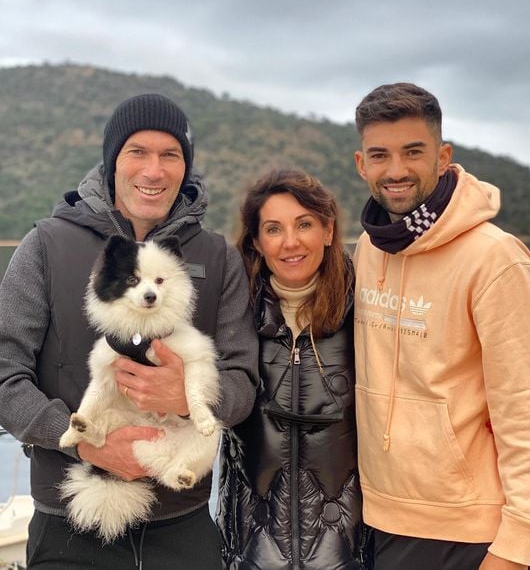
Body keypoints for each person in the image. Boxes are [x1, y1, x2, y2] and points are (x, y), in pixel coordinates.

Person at [0, 93, 259, 569]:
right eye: (137, 151)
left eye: (170, 154)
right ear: (112, 160)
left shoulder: (219, 258)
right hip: (69, 523)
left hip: (183, 524)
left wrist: (187, 396)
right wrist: (80, 437)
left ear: (185, 166)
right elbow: (4, 375)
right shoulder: (46, 246)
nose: (154, 171)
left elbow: (244, 381)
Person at [351, 82, 530, 570]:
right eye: (380, 155)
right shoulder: (368, 248)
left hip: (474, 530)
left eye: (413, 152)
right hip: (384, 518)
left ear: (442, 157)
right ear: (362, 164)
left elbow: (528, 408)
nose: (396, 170)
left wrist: (515, 542)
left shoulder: (494, 258)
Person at [216, 169, 371, 569]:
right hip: (251, 552)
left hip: (349, 552)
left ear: (329, 230)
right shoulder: (231, 316)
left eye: (304, 224)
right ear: (255, 241)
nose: (290, 242)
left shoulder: (369, 310)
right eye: (273, 229)